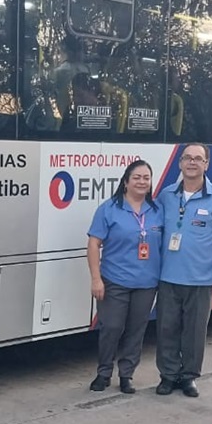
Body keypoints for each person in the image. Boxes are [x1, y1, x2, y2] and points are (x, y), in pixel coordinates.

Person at [154, 142, 212, 397]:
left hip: (201, 280)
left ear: (206, 165)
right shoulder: (166, 196)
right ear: (180, 163)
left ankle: (189, 377)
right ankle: (168, 376)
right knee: (166, 328)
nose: (192, 163)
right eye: (187, 158)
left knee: (194, 331)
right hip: (168, 276)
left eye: (197, 159)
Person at [86, 159, 164, 394]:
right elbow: (93, 244)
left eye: (146, 178)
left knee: (136, 330)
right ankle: (103, 373)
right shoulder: (109, 209)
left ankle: (127, 375)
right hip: (114, 281)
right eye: (137, 177)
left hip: (147, 283)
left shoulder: (158, 210)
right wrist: (96, 279)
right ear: (126, 182)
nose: (142, 182)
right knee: (111, 327)